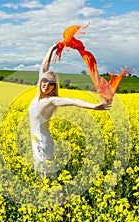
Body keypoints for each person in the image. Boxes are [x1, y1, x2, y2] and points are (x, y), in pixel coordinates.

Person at [29, 43, 110, 177]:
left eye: (51, 84)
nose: (46, 85)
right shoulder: (37, 96)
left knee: (46, 176)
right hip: (36, 141)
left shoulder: (50, 101)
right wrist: (52, 49)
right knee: (40, 175)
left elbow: (74, 101)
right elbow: (43, 67)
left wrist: (94, 106)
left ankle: (56, 197)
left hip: (43, 143)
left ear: (54, 87)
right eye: (45, 81)